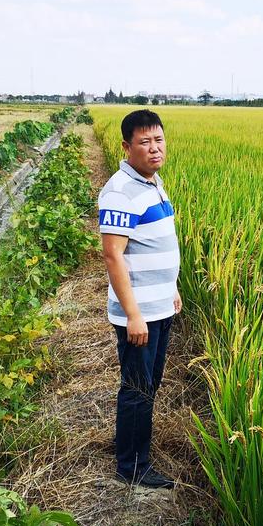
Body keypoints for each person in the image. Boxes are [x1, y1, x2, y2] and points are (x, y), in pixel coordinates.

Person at [98, 109, 181, 489]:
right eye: (144, 142)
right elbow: (113, 255)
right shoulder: (119, 190)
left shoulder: (152, 182)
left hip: (159, 306)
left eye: (158, 140)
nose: (154, 148)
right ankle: (132, 467)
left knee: (149, 384)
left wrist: (172, 288)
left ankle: (135, 453)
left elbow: (154, 243)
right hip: (141, 314)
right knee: (137, 387)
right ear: (126, 146)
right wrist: (133, 315)